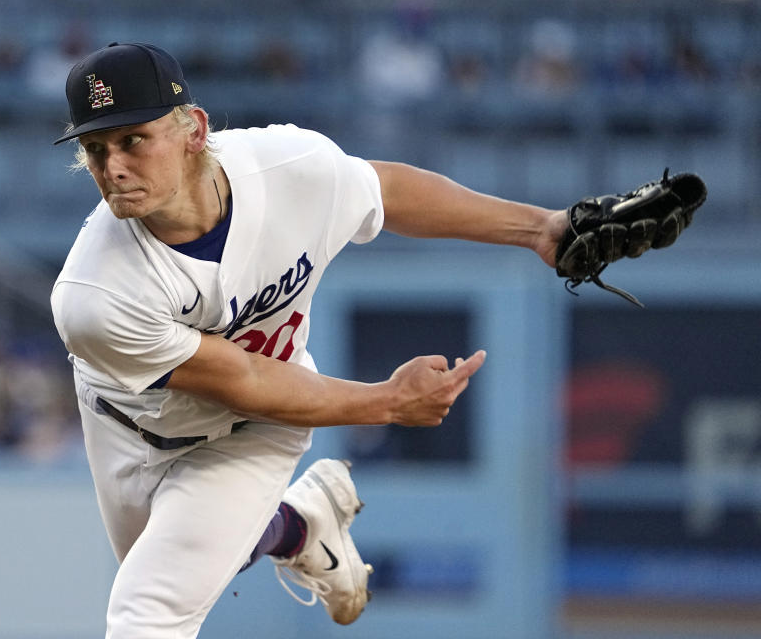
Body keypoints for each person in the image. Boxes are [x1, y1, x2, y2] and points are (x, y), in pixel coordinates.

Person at [50, 42, 567, 638]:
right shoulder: (94, 294)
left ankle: (287, 522)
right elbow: (239, 378)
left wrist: (539, 228)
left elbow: (387, 192)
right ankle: (299, 525)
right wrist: (389, 403)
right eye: (95, 148)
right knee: (206, 562)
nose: (112, 167)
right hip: (124, 425)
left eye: (133, 139)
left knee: (148, 611)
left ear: (193, 129)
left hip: (255, 426)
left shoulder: (287, 167)